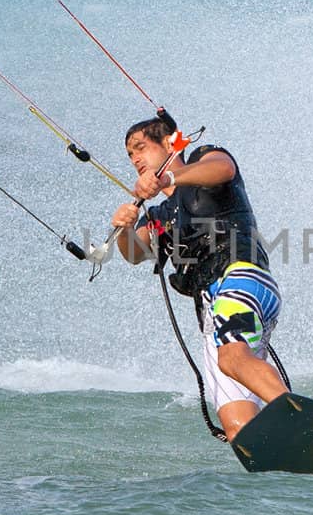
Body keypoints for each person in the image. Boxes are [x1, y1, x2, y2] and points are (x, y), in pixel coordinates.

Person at [111, 117, 287, 440]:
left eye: (140, 148)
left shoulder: (205, 158)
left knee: (232, 357)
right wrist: (124, 228)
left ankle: (295, 417)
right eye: (129, 155)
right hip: (213, 311)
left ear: (169, 144)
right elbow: (135, 253)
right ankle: (284, 455)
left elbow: (224, 169)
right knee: (237, 424)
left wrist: (169, 177)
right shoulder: (160, 214)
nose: (135, 159)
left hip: (241, 276)